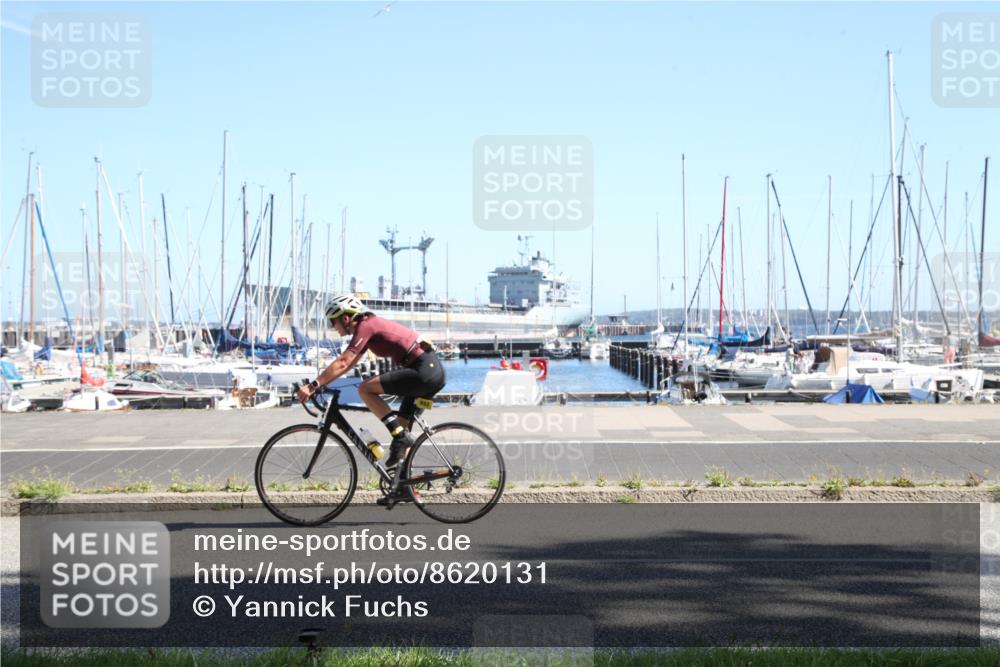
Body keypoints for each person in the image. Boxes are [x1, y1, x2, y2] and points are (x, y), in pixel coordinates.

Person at [296, 294, 446, 504]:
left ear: (346, 318)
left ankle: (400, 437)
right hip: (429, 372)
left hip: (424, 371)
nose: (333, 327)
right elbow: (347, 364)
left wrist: (314, 386)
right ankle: (403, 487)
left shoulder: (366, 326)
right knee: (402, 431)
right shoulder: (367, 329)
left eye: (334, 321)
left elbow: (342, 362)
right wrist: (323, 382)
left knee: (366, 389)